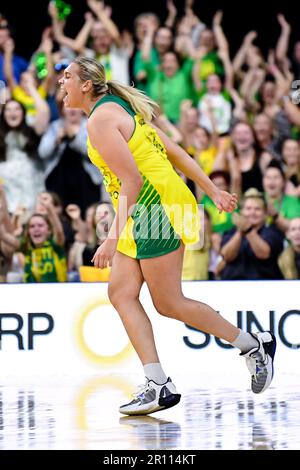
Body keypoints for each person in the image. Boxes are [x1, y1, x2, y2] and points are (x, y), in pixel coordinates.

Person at [59, 56, 277, 416]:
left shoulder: (101, 120)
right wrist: (210, 190)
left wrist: (112, 237)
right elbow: (171, 151)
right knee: (120, 292)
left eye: (67, 77)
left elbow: (134, 180)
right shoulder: (119, 107)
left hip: (155, 208)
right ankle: (158, 383)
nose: (60, 83)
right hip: (143, 209)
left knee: (169, 302)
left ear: (86, 85)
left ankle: (254, 345)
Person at [0, 193, 67, 283]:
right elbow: (4, 236)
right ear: (28, 231)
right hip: (31, 292)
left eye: (40, 225)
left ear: (49, 230)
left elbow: (59, 232)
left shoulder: (55, 244)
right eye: (32, 226)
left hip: (58, 291)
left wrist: (49, 207)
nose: (36, 229)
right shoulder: (26, 246)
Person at [220, 189, 284, 280]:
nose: (252, 212)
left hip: (265, 285)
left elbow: (264, 254)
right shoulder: (231, 232)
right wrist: (240, 231)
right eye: (248, 208)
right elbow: (226, 256)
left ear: (265, 213)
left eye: (257, 209)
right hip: (233, 284)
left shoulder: (273, 232)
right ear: (241, 212)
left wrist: (248, 230)